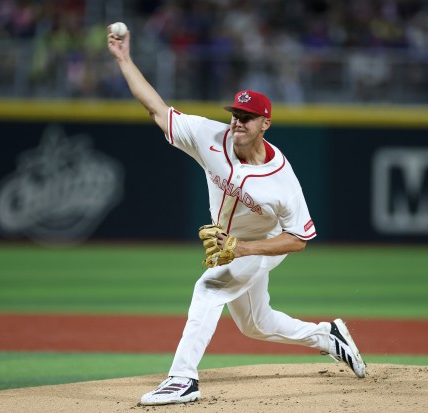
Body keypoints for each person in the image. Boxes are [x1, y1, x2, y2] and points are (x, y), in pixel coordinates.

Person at [107, 26, 366, 406]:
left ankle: (182, 379)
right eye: (235, 114)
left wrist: (242, 248)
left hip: (264, 244)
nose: (237, 122)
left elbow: (300, 238)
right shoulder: (210, 137)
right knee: (255, 324)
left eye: (248, 117)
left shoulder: (281, 179)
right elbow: (157, 110)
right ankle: (329, 337)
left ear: (266, 124)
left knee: (209, 287)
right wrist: (124, 60)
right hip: (232, 246)